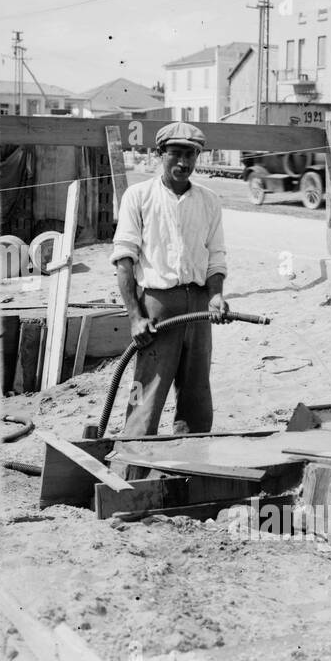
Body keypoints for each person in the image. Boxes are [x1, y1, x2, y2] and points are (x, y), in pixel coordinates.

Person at [111, 121, 228, 437]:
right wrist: (135, 317)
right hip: (158, 306)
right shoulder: (139, 196)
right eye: (175, 154)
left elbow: (216, 256)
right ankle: (133, 453)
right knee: (146, 386)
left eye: (190, 155)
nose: (183, 162)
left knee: (197, 390)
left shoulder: (208, 200)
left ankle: (191, 455)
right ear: (158, 154)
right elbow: (124, 260)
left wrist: (216, 295)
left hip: (200, 304)